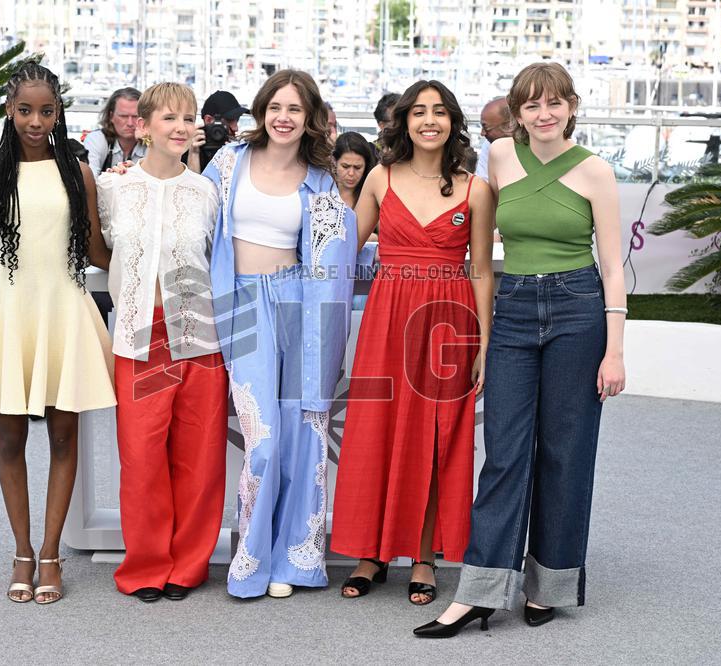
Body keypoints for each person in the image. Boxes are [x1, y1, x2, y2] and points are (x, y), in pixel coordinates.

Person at [414, 62, 627, 638]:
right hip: (512, 311)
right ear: (517, 113)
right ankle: (479, 594)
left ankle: (549, 584)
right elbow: (478, 253)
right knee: (505, 453)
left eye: (555, 102)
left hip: (578, 310)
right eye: (532, 105)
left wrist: (615, 351)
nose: (544, 114)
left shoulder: (596, 172)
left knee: (565, 451)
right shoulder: (501, 157)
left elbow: (612, 267)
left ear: (572, 106)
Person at [0, 62, 116, 606]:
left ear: (59, 111)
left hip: (63, 310)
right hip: (9, 312)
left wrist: (152, 248)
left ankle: (51, 554)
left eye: (46, 110)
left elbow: (95, 253)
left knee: (65, 438)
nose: (36, 120)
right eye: (26, 110)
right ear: (8, 110)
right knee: (9, 438)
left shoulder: (79, 173)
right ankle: (21, 551)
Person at [330, 80, 495, 606]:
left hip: (449, 323)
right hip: (387, 317)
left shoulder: (477, 188)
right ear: (403, 120)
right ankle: (371, 553)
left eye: (440, 111)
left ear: (453, 122)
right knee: (375, 431)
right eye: (419, 111)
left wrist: (484, 344)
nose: (429, 120)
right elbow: (341, 250)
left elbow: (483, 272)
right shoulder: (379, 176)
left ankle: (424, 556)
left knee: (434, 440)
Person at [203, 69, 357, 600]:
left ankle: (295, 558)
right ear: (261, 112)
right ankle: (252, 556)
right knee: (262, 436)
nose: (283, 117)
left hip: (299, 304)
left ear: (309, 117)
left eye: (294, 109)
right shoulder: (228, 163)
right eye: (275, 107)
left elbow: (340, 248)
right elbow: (194, 221)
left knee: (303, 430)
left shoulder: (320, 178)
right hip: (241, 302)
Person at [96, 82, 228, 604]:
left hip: (199, 334)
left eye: (188, 117)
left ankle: (189, 565)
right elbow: (95, 245)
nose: (181, 126)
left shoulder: (207, 192)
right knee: (142, 459)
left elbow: (219, 260)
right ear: (142, 125)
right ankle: (146, 565)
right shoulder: (112, 187)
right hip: (137, 337)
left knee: (199, 460)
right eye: (169, 117)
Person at [83, 87, 145, 177]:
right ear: (111, 116)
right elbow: (90, 178)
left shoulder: (152, 143)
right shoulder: (97, 139)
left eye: (135, 116)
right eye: (123, 116)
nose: (130, 123)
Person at [198, 90, 249, 171]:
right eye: (230, 120)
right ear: (208, 120)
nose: (236, 128)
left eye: (237, 119)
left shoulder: (236, 149)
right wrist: (193, 154)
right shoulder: (193, 147)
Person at [333, 131, 376, 209]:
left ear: (366, 166)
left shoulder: (373, 198)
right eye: (345, 166)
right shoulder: (322, 191)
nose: (351, 173)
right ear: (335, 162)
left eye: (357, 167)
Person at [475, 97, 513, 182]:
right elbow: (483, 181)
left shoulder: (535, 144)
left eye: (486, 128)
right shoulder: (489, 144)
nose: (482, 133)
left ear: (510, 125)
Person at [370, 92, 401, 160]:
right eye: (396, 121)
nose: (403, 124)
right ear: (382, 125)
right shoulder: (370, 153)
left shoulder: (416, 148)